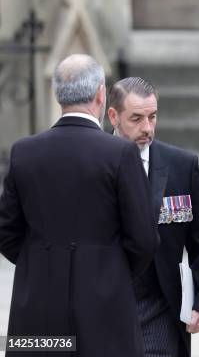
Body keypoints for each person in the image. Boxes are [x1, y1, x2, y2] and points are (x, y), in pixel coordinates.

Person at [0, 54, 158, 356]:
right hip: (105, 308)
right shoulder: (120, 153)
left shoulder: (24, 152)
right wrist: (111, 271)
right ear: (101, 94)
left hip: (37, 306)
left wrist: (41, 263)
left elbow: (7, 232)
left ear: (57, 93)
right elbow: (145, 239)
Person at [108, 77, 199, 357]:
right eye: (136, 118)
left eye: (152, 116)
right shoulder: (90, 162)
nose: (147, 128)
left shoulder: (181, 166)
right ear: (113, 115)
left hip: (161, 305)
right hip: (105, 304)